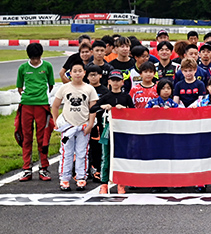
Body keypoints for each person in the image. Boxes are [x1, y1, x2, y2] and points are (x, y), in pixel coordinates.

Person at [52, 61, 98, 191]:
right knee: (66, 153)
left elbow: (93, 108)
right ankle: (64, 179)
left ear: (84, 73)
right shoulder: (64, 88)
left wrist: (90, 124)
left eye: (80, 71)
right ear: (70, 73)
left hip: (83, 126)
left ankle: (81, 177)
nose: (77, 73)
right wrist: (56, 122)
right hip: (68, 126)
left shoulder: (89, 89)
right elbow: (55, 106)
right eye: (75, 71)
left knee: (82, 153)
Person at [90, 69, 134, 194]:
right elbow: (92, 108)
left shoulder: (126, 97)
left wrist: (125, 109)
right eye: (113, 80)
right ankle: (104, 184)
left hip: (123, 131)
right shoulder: (106, 97)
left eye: (118, 80)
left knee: (121, 157)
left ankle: (121, 183)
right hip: (108, 131)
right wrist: (102, 107)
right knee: (106, 157)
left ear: (122, 82)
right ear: (109, 82)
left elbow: (134, 111)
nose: (115, 83)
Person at [16, 43, 55, 182]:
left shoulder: (47, 66)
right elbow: (19, 87)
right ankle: (27, 168)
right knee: (26, 137)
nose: (35, 61)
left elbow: (51, 85)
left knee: (42, 137)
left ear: (41, 56)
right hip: (26, 105)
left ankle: (43, 168)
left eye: (37, 58)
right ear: (29, 57)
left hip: (42, 106)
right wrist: (29, 96)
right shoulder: (23, 68)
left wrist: (42, 97)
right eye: (33, 59)